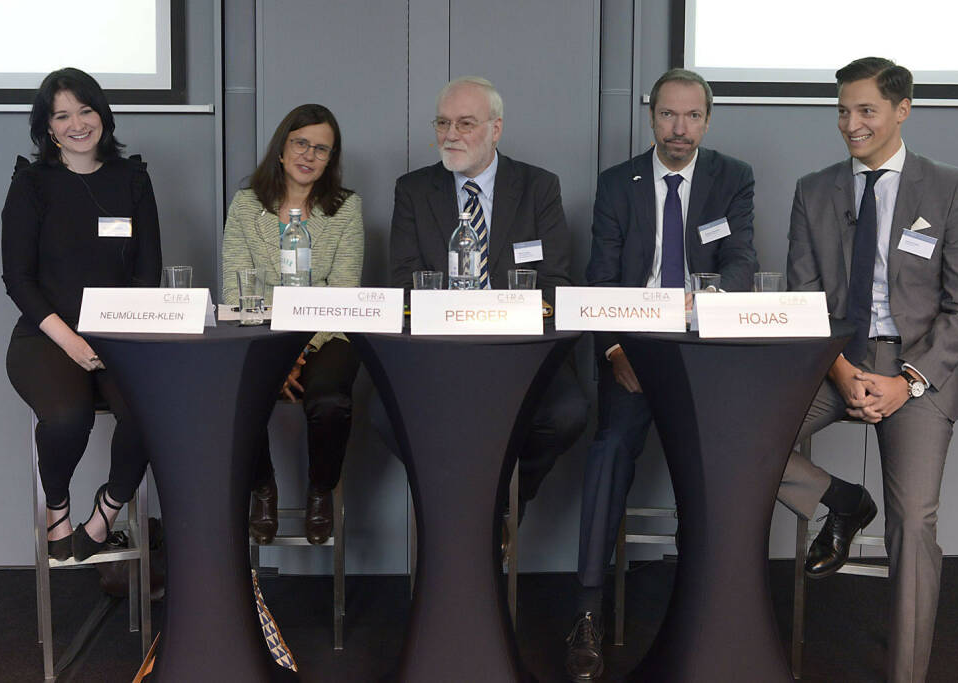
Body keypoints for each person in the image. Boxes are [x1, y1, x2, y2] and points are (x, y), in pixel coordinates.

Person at [776, 57, 958, 682]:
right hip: (834, 360)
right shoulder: (815, 190)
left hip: (916, 372)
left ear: (902, 109)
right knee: (746, 443)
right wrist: (842, 372)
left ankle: (905, 676)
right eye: (843, 110)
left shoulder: (949, 188)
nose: (850, 124)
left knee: (915, 522)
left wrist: (906, 381)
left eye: (865, 110)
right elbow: (802, 298)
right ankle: (841, 501)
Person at [571, 68, 758, 680]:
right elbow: (599, 278)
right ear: (651, 116)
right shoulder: (616, 184)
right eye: (668, 116)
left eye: (693, 116)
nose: (680, 129)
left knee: (712, 463)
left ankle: (703, 604)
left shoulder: (732, 178)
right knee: (608, 451)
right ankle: (587, 613)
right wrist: (616, 350)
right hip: (634, 350)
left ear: (708, 119)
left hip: (702, 353)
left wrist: (699, 307)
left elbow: (739, 263)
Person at [387, 76, 588, 528]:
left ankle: (499, 506)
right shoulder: (414, 191)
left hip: (519, 352)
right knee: (385, 417)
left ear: (496, 130)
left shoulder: (538, 187)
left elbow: (555, 281)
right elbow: (402, 282)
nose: (450, 134)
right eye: (442, 123)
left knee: (567, 413)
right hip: (438, 353)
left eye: (465, 123)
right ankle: (453, 510)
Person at [2, 67, 162, 563]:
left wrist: (115, 339)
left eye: (86, 110)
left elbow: (147, 273)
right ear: (47, 127)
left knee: (153, 414)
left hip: (120, 334)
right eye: (62, 115)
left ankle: (108, 510)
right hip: (47, 336)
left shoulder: (132, 179)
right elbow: (18, 279)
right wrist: (72, 341)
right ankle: (57, 508)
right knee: (69, 419)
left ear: (102, 115)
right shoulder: (32, 184)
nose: (77, 123)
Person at [222, 104, 363, 545]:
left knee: (330, 403)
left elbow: (341, 291)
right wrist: (280, 346)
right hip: (259, 330)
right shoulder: (247, 206)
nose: (309, 155)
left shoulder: (346, 208)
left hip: (328, 333)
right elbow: (235, 287)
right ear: (281, 149)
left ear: (330, 159)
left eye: (321, 149)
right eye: (300, 143)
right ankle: (261, 488)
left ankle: (321, 491)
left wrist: (298, 349)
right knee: (240, 395)